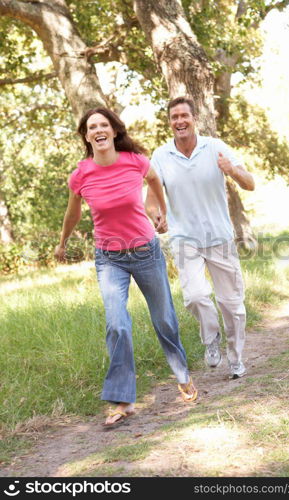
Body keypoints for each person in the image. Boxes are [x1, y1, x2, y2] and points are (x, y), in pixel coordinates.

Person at [55, 107, 197, 429]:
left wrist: (160, 210)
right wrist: (62, 242)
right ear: (87, 135)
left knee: (163, 318)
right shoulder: (81, 175)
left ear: (114, 131)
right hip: (109, 257)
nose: (99, 130)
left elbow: (155, 180)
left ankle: (183, 375)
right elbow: (73, 214)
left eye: (104, 124)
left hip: (145, 250)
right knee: (117, 324)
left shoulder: (135, 161)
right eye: (92, 127)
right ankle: (122, 400)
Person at [145, 96, 255, 379]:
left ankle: (236, 357)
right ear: (169, 123)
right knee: (195, 296)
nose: (179, 121)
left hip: (219, 236)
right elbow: (151, 200)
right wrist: (156, 216)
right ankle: (211, 339)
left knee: (231, 304)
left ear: (195, 119)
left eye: (184, 116)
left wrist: (232, 170)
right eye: (174, 117)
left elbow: (250, 183)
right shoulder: (160, 155)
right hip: (185, 239)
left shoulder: (215, 147)